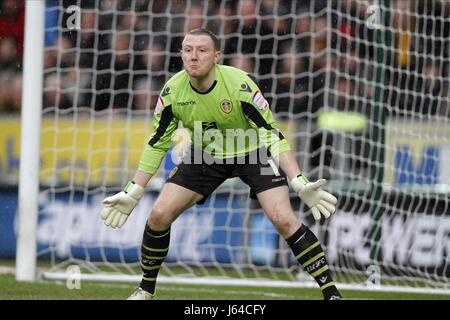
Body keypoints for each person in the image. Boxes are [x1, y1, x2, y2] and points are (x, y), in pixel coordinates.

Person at [100, 28, 342, 300]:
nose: (193, 56)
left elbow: (271, 134)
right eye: (188, 49)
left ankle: (331, 293)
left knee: (283, 219)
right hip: (205, 156)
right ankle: (146, 289)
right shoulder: (172, 92)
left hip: (252, 152)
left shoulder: (240, 85)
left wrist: (298, 179)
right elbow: (157, 142)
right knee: (158, 215)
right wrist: (134, 189)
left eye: (202, 50)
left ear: (216, 57)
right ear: (180, 53)